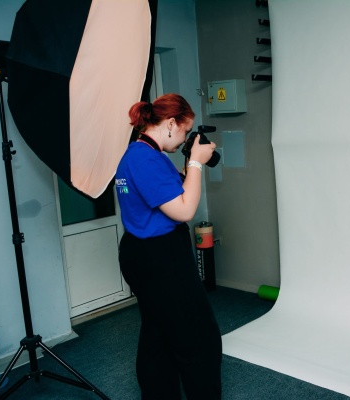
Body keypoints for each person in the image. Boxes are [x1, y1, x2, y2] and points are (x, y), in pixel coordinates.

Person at [115, 93, 222, 399]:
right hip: (161, 257)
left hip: (140, 253)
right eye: (185, 131)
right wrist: (196, 163)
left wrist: (190, 163)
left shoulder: (138, 153)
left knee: (158, 331)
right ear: (171, 123)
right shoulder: (147, 160)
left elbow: (173, 192)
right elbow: (184, 210)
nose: (185, 138)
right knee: (198, 336)